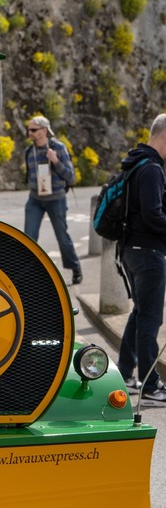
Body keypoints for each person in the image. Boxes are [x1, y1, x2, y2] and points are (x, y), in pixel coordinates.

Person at [117, 113, 166, 402]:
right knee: (150, 318)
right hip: (148, 253)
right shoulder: (151, 169)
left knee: (139, 313)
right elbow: (153, 215)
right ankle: (149, 385)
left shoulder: (135, 163)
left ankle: (125, 374)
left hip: (130, 250)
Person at [24, 114, 82, 284]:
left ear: (44, 131)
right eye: (29, 130)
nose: (30, 133)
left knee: (62, 237)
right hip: (35, 199)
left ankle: (75, 268)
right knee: (28, 237)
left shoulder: (59, 148)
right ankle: (26, 273)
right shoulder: (29, 151)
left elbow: (71, 177)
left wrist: (55, 161)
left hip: (56, 199)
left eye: (33, 130)